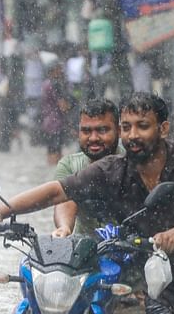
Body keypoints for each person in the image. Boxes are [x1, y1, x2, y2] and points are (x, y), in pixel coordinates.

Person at [0, 92, 174, 314]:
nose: (132, 135)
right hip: (161, 284)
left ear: (163, 128)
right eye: (126, 127)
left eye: (142, 126)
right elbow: (56, 192)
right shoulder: (111, 170)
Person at [52, 99, 124, 238]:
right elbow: (65, 200)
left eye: (102, 130)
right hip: (85, 249)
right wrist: (64, 227)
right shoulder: (69, 165)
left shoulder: (132, 162)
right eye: (86, 131)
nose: (93, 138)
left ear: (119, 131)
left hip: (130, 249)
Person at [40, 62, 73, 165]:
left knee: (50, 149)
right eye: (59, 69)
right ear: (53, 71)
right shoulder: (55, 85)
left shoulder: (45, 83)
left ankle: (51, 170)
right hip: (56, 123)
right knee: (57, 150)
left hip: (47, 122)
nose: (61, 71)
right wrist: (70, 106)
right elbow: (63, 106)